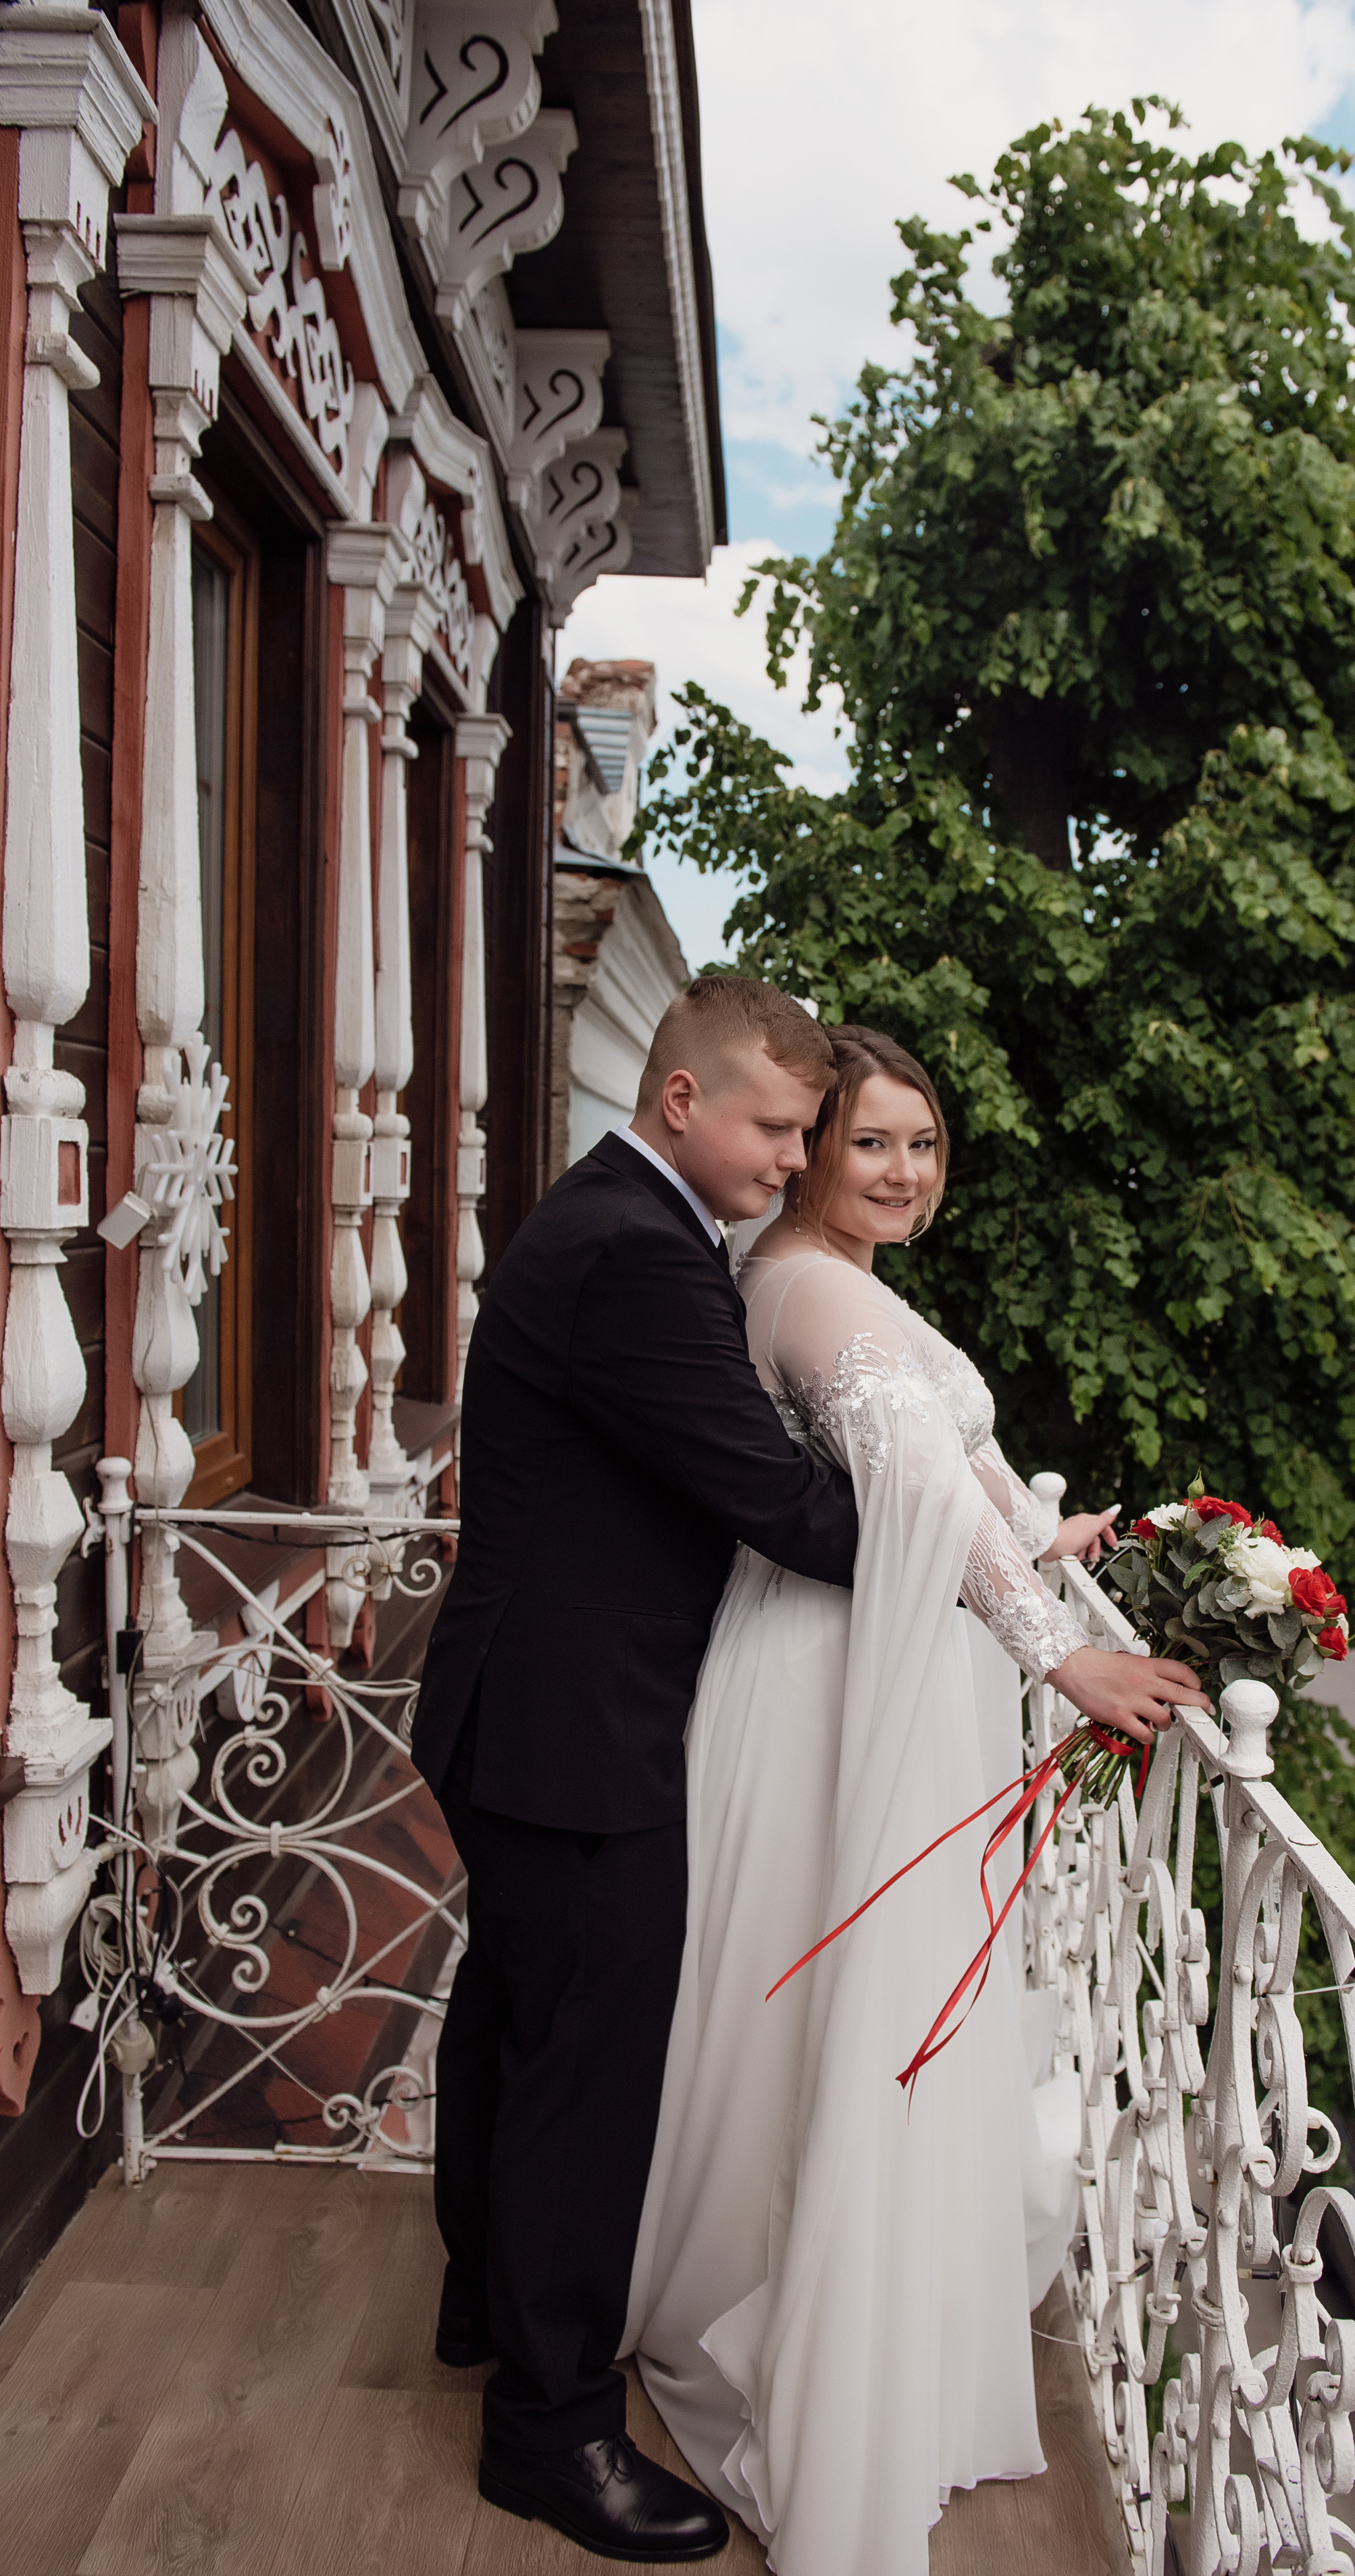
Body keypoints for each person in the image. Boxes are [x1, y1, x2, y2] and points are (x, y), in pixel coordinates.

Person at [624, 1024, 1208, 2576]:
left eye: (921, 1144)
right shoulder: (810, 1289)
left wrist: (1055, 1540)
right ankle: (810, 2342)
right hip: (833, 1686)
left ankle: (836, 2299)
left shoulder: (840, 1287)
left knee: (845, 2008)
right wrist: (1064, 1663)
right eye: (867, 1141)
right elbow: (916, 1498)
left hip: (868, 1664)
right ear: (810, 1149)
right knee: (855, 2005)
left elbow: (974, 1485)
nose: (900, 1170)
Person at [409, 978, 866, 2562]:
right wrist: (983, 1557)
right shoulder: (630, 1254)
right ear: (680, 1100)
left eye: (807, 1130)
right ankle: (549, 2431)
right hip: (571, 1731)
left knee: (516, 2027)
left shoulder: (618, 1221)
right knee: (585, 2084)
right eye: (773, 1125)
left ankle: (481, 2307)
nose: (788, 1157)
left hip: (526, 1708)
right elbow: (780, 1504)